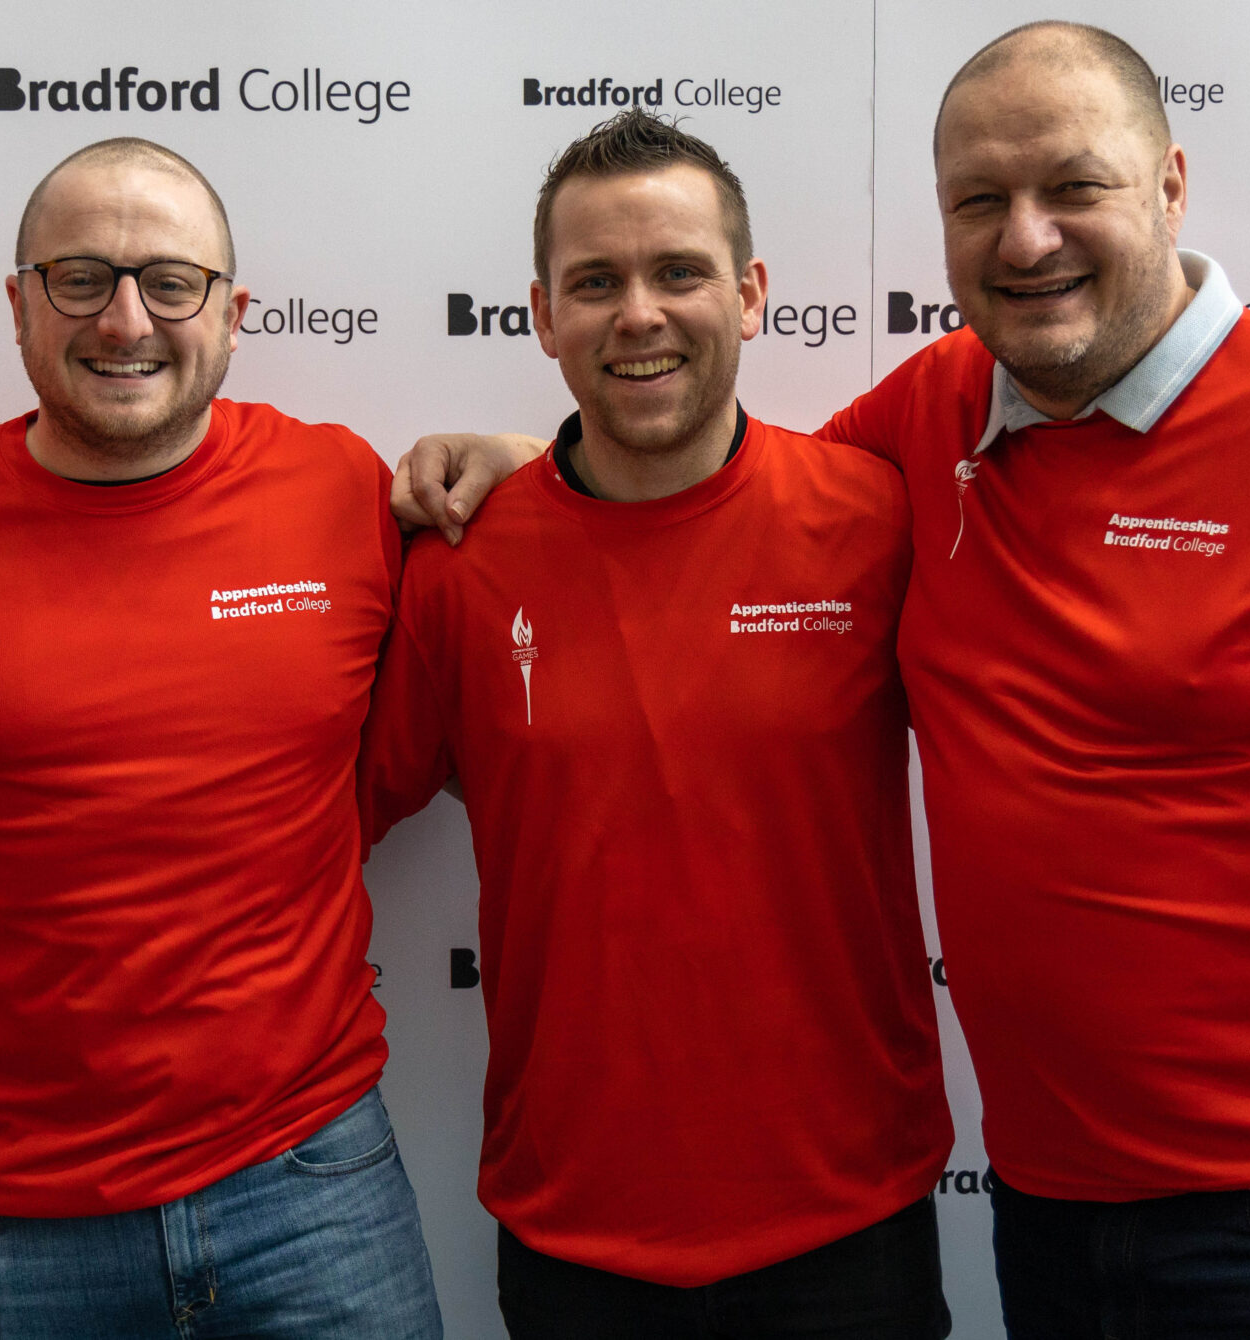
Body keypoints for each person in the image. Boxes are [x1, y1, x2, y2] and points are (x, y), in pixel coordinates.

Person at [396, 22, 1250, 1339]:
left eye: (1070, 187)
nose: (1027, 238)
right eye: (982, 201)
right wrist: (532, 465)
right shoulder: (935, 417)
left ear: (1169, 186)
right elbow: (704, 487)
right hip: (1053, 1207)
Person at [0, 138, 441, 1340]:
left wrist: (525, 463)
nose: (126, 319)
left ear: (236, 313)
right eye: (81, 277)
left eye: (171, 281)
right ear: (19, 304)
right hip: (16, 1221)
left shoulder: (340, 489)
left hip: (311, 1184)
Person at [358, 111, 951, 1339]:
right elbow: (315, 825)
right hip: (576, 1229)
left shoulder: (875, 518)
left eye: (678, 271)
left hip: (848, 1218)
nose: (638, 313)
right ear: (540, 314)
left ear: (749, 296)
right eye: (595, 282)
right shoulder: (460, 568)